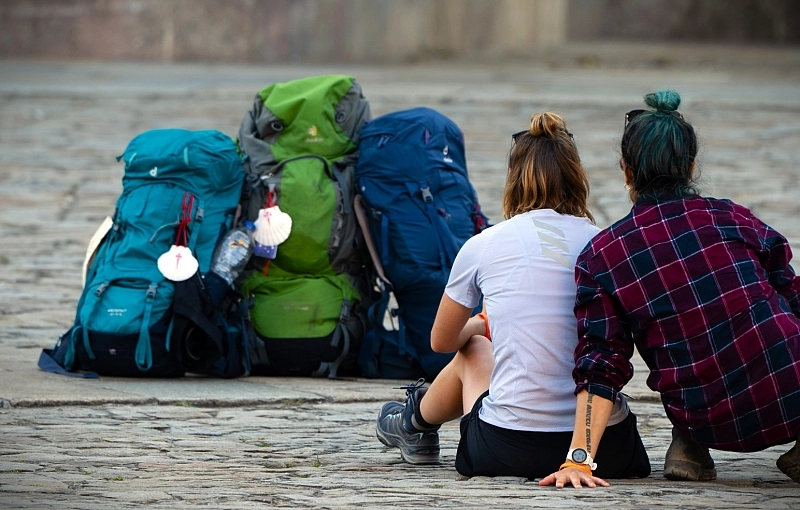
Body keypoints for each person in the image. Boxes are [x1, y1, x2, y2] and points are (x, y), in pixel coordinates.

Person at [541, 90, 800, 489]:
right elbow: (792, 292)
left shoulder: (602, 255)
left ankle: (689, 447)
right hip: (791, 396)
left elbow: (601, 360)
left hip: (706, 417)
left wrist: (579, 460)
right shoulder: (732, 217)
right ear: (692, 166)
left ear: (626, 171)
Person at [375, 112, 651, 481]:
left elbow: (440, 342)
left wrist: (479, 325)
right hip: (609, 448)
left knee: (473, 350)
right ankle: (414, 422)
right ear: (576, 178)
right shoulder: (606, 243)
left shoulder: (484, 244)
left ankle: (414, 423)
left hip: (507, 447)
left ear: (513, 180)